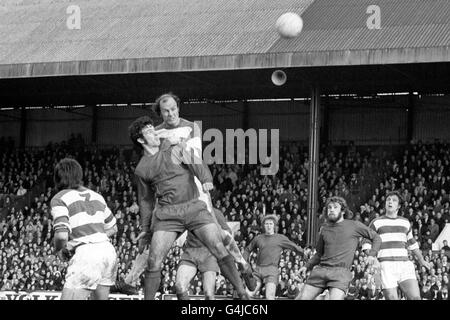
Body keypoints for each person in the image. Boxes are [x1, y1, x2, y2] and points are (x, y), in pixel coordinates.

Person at [115, 94, 255, 294]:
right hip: (167, 196)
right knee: (153, 240)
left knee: (221, 237)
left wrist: (205, 178)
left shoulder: (191, 127)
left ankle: (243, 265)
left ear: (178, 108)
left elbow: (192, 156)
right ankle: (129, 279)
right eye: (166, 111)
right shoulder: (154, 133)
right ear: (160, 113)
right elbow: (150, 164)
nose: (171, 113)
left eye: (174, 109)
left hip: (195, 186)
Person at [50, 158, 118, 300]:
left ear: (57, 177)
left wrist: (60, 249)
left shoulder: (59, 198)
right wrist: (94, 237)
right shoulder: (97, 196)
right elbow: (113, 228)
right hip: (107, 251)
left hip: (87, 256)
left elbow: (62, 236)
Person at [297, 196, 382, 300]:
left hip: (340, 273)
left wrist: (372, 255)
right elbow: (319, 254)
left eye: (335, 207)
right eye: (329, 207)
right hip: (321, 270)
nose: (331, 209)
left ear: (342, 211)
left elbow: (376, 237)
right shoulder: (324, 229)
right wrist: (306, 266)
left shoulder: (354, 225)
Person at [363, 191, 431, 300]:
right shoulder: (376, 222)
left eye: (394, 200)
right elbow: (366, 244)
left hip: (404, 264)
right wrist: (373, 259)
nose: (390, 201)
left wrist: (421, 260)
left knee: (416, 298)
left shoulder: (405, 222)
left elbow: (412, 244)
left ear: (398, 206)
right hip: (385, 265)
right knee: (392, 298)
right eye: (388, 199)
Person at [175, 207, 231, 300]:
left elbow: (228, 233)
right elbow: (178, 228)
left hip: (209, 254)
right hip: (191, 251)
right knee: (179, 287)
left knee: (209, 294)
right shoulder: (189, 210)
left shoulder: (216, 213)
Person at [244, 214, 303, 300]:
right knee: (248, 295)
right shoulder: (258, 238)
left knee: (269, 297)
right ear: (264, 225)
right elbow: (247, 249)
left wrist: (304, 254)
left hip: (272, 270)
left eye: (271, 224)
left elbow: (294, 246)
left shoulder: (280, 238)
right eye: (266, 224)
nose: (268, 226)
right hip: (258, 269)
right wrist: (244, 261)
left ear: (274, 225)